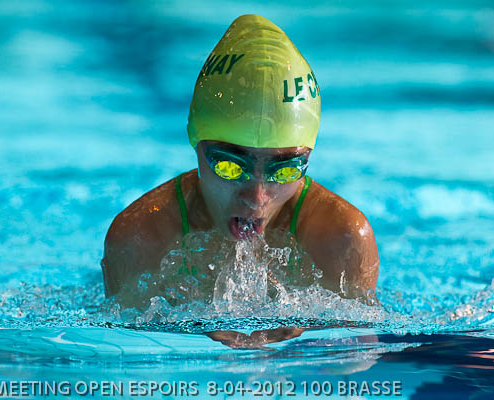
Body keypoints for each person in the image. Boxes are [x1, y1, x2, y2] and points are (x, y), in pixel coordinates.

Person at [101, 14, 380, 310]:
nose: (256, 197)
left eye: (284, 170)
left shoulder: (341, 239)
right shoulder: (141, 238)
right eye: (230, 166)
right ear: (196, 143)